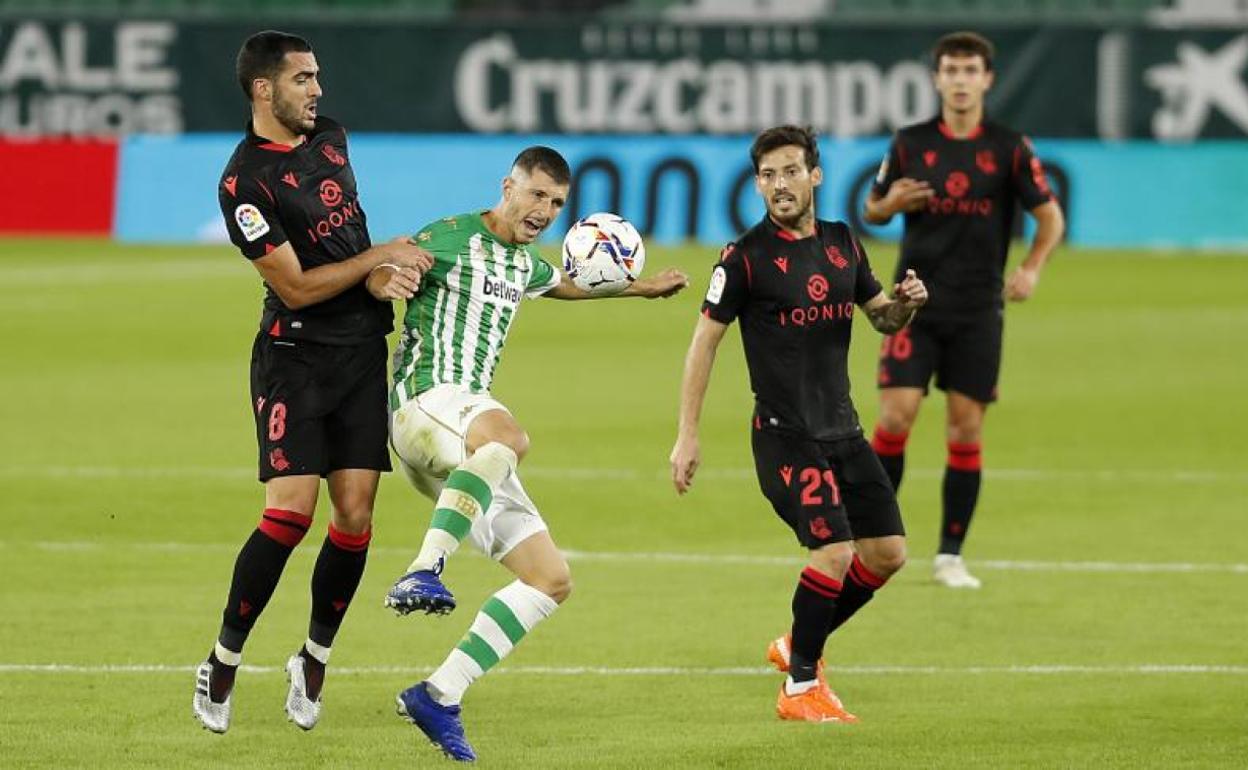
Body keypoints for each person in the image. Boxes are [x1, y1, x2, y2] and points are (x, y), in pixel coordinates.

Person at [375, 146, 688, 761]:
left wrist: (641, 288)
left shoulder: (524, 265)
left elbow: (565, 284)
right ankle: (424, 569)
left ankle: (439, 693)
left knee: (550, 580)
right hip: (425, 403)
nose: (544, 210)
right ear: (508, 186)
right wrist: (386, 277)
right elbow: (387, 259)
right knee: (510, 438)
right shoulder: (451, 236)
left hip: (466, 448)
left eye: (556, 203)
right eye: (536, 195)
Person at [192, 30, 432, 734]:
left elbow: (349, 246)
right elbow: (295, 288)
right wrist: (377, 259)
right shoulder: (243, 183)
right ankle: (224, 660)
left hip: (360, 351)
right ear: (264, 89)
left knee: (355, 514)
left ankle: (314, 657)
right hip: (294, 357)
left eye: (317, 77)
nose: (317, 90)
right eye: (303, 79)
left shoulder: (332, 139)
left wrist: (382, 271)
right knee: (291, 513)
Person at [669, 125, 928, 723]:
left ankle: (795, 646)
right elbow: (703, 343)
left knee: (887, 554)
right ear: (756, 184)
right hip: (786, 435)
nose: (778, 185)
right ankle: (800, 687)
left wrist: (907, 303)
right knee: (833, 551)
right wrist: (688, 432)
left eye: (789, 171)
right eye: (767, 175)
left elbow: (881, 319)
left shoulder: (843, 243)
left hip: (844, 430)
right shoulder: (743, 259)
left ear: (815, 175)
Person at [864, 31, 1065, 589]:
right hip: (913, 302)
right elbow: (872, 208)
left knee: (965, 428)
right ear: (936, 79)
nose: (959, 80)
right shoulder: (909, 142)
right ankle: (874, 530)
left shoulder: (1009, 147)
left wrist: (1030, 269)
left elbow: (1050, 218)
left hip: (978, 309)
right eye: (949, 70)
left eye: (969, 70)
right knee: (895, 415)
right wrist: (890, 204)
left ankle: (950, 554)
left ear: (987, 80)